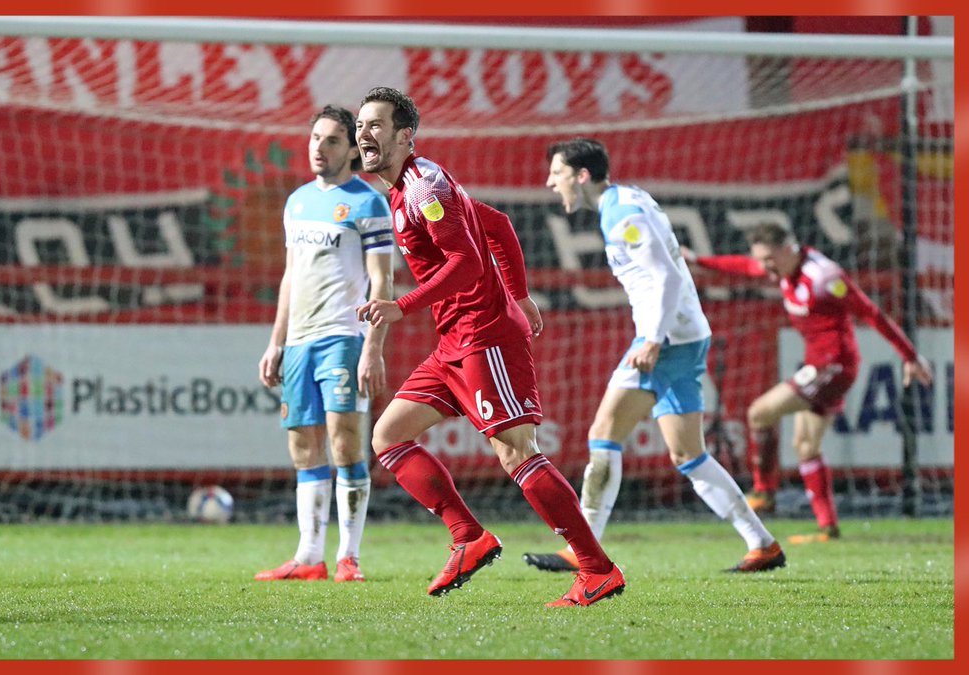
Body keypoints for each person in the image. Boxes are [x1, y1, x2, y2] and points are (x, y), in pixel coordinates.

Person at [354, 87, 624, 607]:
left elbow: (470, 264)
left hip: (484, 336)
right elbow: (496, 225)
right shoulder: (407, 187)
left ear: (405, 135)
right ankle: (468, 537)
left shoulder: (421, 189)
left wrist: (402, 305)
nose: (365, 133)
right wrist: (522, 295)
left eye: (376, 125)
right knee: (388, 437)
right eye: (361, 124)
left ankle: (596, 570)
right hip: (455, 339)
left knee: (517, 452)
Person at [522, 138, 785, 575]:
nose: (551, 182)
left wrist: (653, 339)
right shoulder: (628, 201)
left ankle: (582, 548)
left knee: (604, 432)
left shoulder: (623, 214)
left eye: (557, 173)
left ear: (582, 176)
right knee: (689, 455)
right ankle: (762, 544)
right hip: (685, 336)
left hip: (665, 340)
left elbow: (663, 276)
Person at [684, 222, 933, 543]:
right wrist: (698, 261)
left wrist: (910, 356)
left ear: (789, 250)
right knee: (805, 446)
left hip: (834, 366)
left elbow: (870, 313)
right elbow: (744, 266)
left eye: (769, 260)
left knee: (760, 412)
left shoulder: (825, 276)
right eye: (762, 261)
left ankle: (765, 491)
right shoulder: (784, 269)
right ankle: (827, 527)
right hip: (821, 365)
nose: (765, 268)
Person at [255, 105, 394, 582]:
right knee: (303, 448)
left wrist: (372, 346)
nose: (320, 147)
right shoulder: (296, 202)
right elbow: (291, 277)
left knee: (344, 441)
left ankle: (348, 556)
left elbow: (382, 282)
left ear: (353, 149)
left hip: (342, 337)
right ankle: (308, 555)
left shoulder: (369, 202)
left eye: (332, 140)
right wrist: (276, 343)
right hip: (299, 342)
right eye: (315, 138)